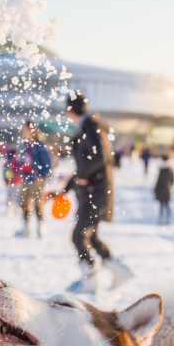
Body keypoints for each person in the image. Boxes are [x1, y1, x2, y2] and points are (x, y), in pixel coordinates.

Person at [58, 91, 133, 293]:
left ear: (69, 110)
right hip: (94, 192)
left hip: (95, 193)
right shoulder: (90, 126)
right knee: (90, 237)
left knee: (78, 236)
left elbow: (101, 157)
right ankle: (120, 271)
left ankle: (91, 279)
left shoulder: (91, 127)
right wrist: (65, 189)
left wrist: (82, 175)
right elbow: (88, 163)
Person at [15, 120, 53, 238]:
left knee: (38, 203)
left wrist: (42, 176)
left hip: (36, 179)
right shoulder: (24, 146)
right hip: (26, 178)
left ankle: (41, 228)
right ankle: (26, 228)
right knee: (24, 203)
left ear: (32, 131)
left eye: (25, 130)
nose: (23, 132)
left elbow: (47, 163)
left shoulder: (39, 146)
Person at [154, 154, 174, 225]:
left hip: (162, 189)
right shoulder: (170, 169)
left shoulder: (163, 169)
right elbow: (172, 181)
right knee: (166, 205)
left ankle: (163, 218)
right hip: (166, 189)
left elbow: (158, 181)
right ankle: (167, 218)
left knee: (163, 205)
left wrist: (156, 189)